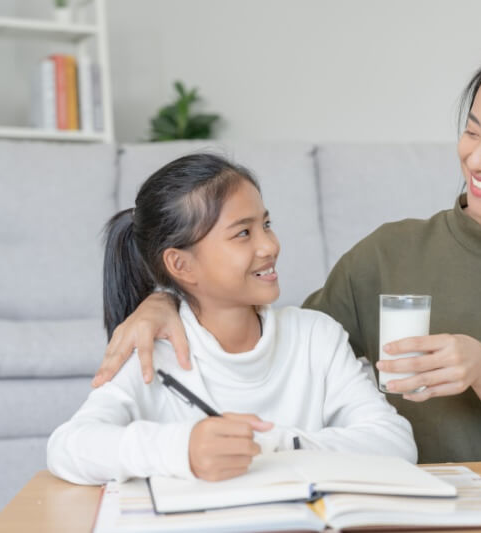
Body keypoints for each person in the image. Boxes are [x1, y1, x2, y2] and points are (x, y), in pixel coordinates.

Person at [91, 42, 481, 517]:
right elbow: (277, 342)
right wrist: (166, 303)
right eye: (471, 132)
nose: (477, 158)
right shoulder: (388, 252)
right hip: (420, 509)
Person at [47, 153, 416, 485]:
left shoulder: (315, 336)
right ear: (180, 264)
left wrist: (271, 443)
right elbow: (68, 447)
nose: (269, 246)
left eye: (266, 224)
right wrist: (183, 449)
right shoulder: (153, 352)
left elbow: (395, 443)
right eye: (243, 233)